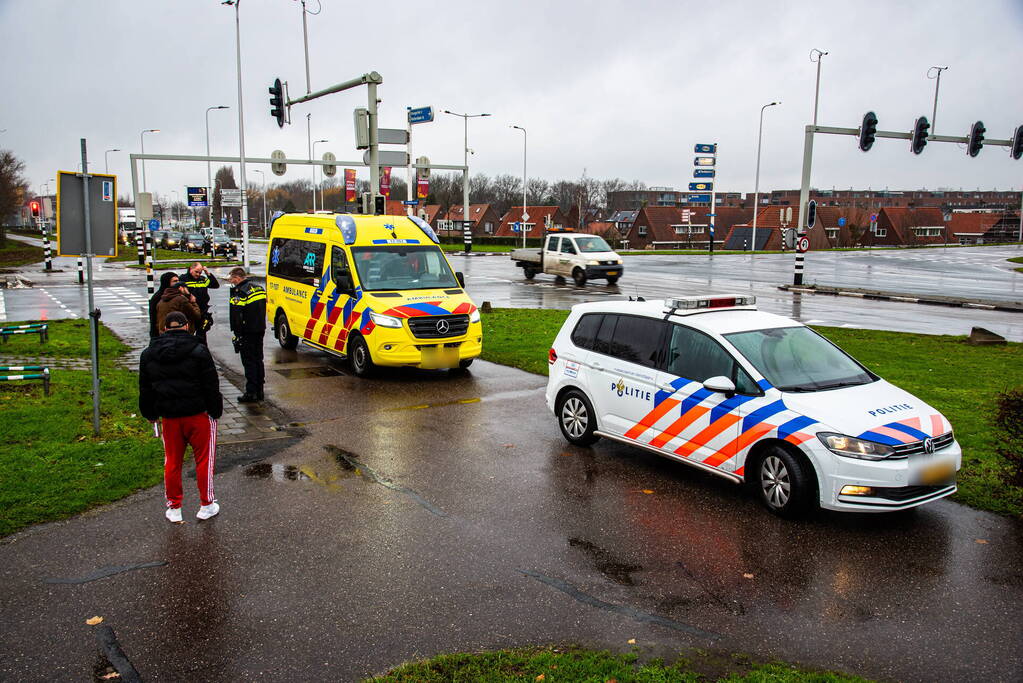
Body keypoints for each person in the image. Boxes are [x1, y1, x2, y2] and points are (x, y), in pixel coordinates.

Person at [139, 311, 224, 522]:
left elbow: (145, 388)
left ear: (164, 328)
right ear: (187, 327)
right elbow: (211, 384)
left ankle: (174, 507)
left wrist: (150, 414)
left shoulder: (149, 353)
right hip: (198, 415)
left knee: (172, 461)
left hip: (169, 417)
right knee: (204, 460)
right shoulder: (199, 350)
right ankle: (206, 504)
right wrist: (215, 410)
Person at [227, 266, 267, 403]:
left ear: (237, 278)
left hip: (247, 331)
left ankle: (251, 393)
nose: (231, 282)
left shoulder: (240, 292)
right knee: (258, 360)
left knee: (249, 362)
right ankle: (260, 390)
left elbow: (236, 316)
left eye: (232, 279)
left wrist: (237, 334)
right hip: (259, 329)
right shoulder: (259, 289)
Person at [180, 261, 220, 344]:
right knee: (188, 335)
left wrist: (208, 274)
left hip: (202, 311)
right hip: (189, 312)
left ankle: (202, 352)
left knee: (202, 335)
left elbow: (215, 285)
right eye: (196, 272)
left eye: (200, 272)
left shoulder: (202, 279)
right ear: (191, 269)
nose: (198, 274)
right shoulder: (183, 279)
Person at [148, 272, 178, 339]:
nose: (177, 283)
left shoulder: (178, 295)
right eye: (175, 281)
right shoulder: (157, 297)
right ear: (167, 282)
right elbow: (153, 318)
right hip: (162, 334)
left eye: (178, 281)